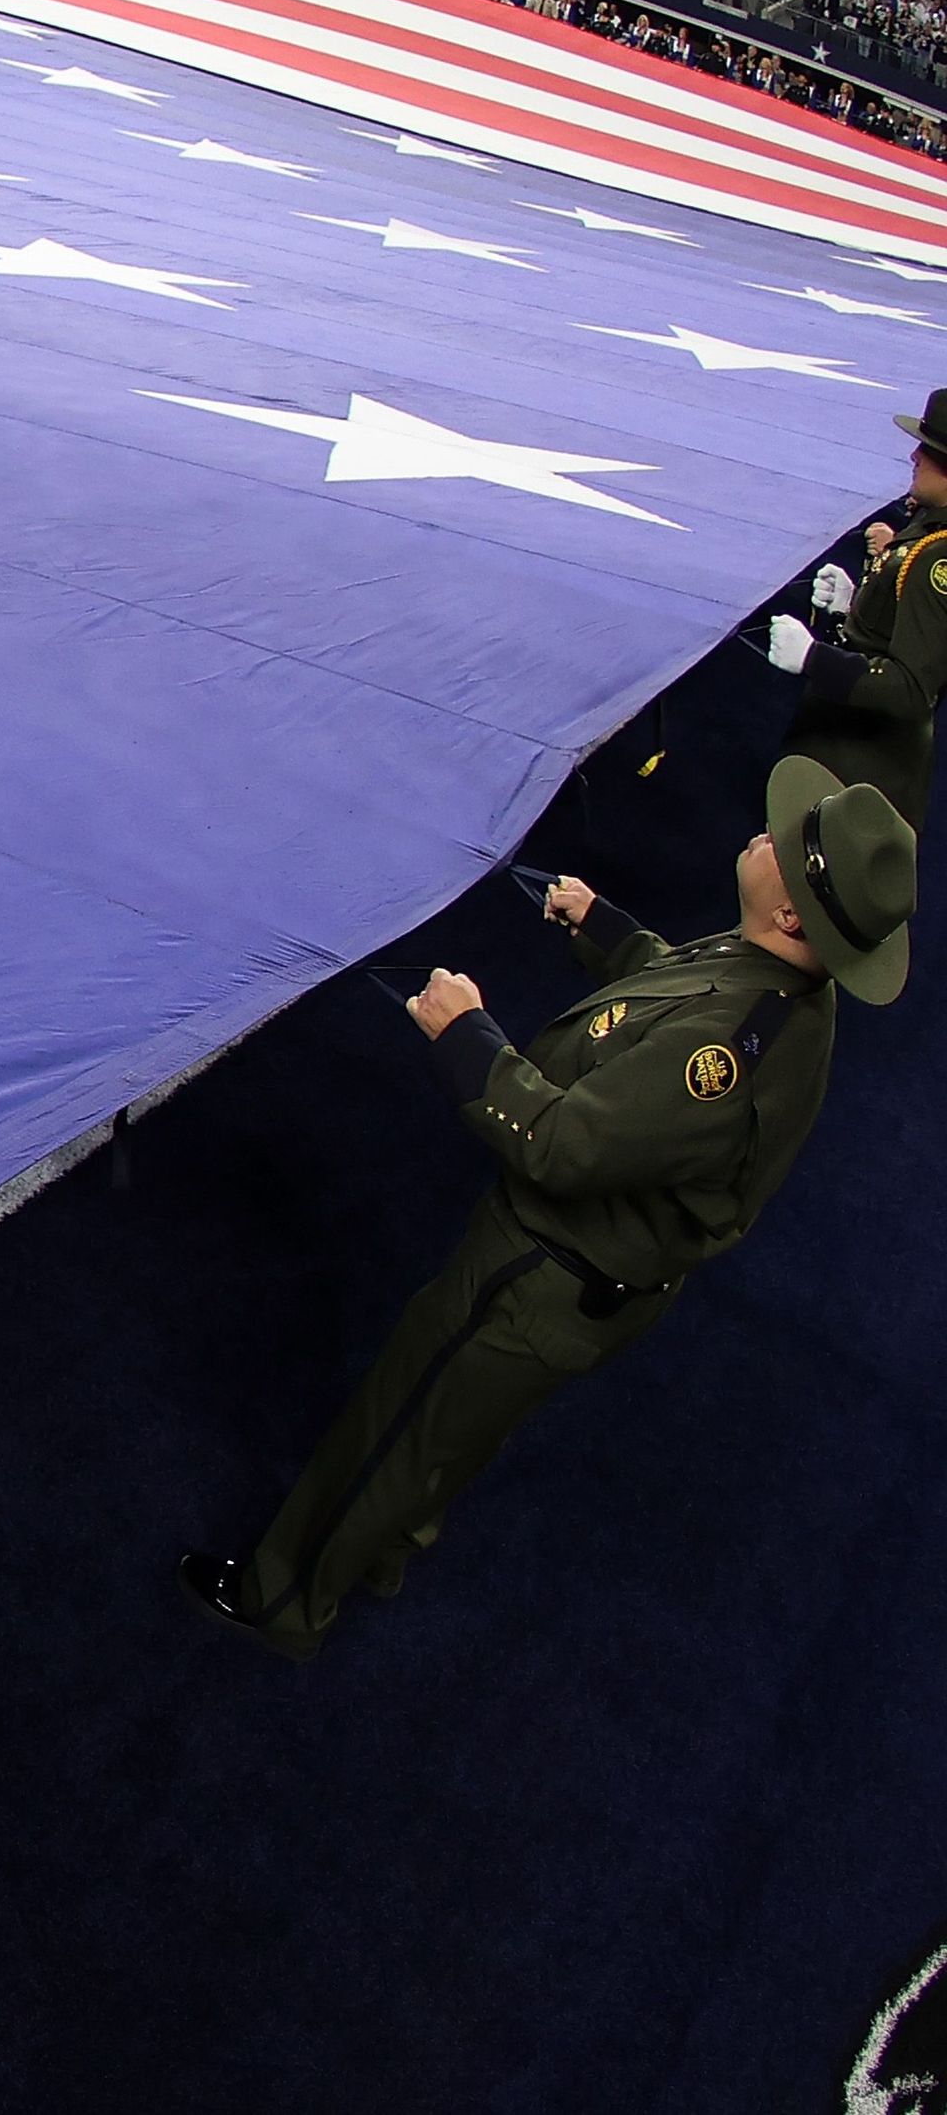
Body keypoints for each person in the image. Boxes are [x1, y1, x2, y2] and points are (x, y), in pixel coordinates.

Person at [184, 764, 916, 1659]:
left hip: (544, 1269)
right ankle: (383, 1547)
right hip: (586, 1276)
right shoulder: (781, 983)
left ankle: (284, 1593)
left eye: (784, 846)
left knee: (406, 1411)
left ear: (794, 916)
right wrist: (604, 927)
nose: (764, 835)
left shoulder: (729, 1050)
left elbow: (562, 1145)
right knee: (450, 1428)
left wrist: (467, 1036)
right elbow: (675, 981)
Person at [760, 389, 947, 826]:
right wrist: (853, 610)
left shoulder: (938, 558)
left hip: (859, 779)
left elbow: (911, 690)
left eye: (930, 450)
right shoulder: (928, 530)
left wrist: (815, 658)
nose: (915, 456)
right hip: (844, 766)